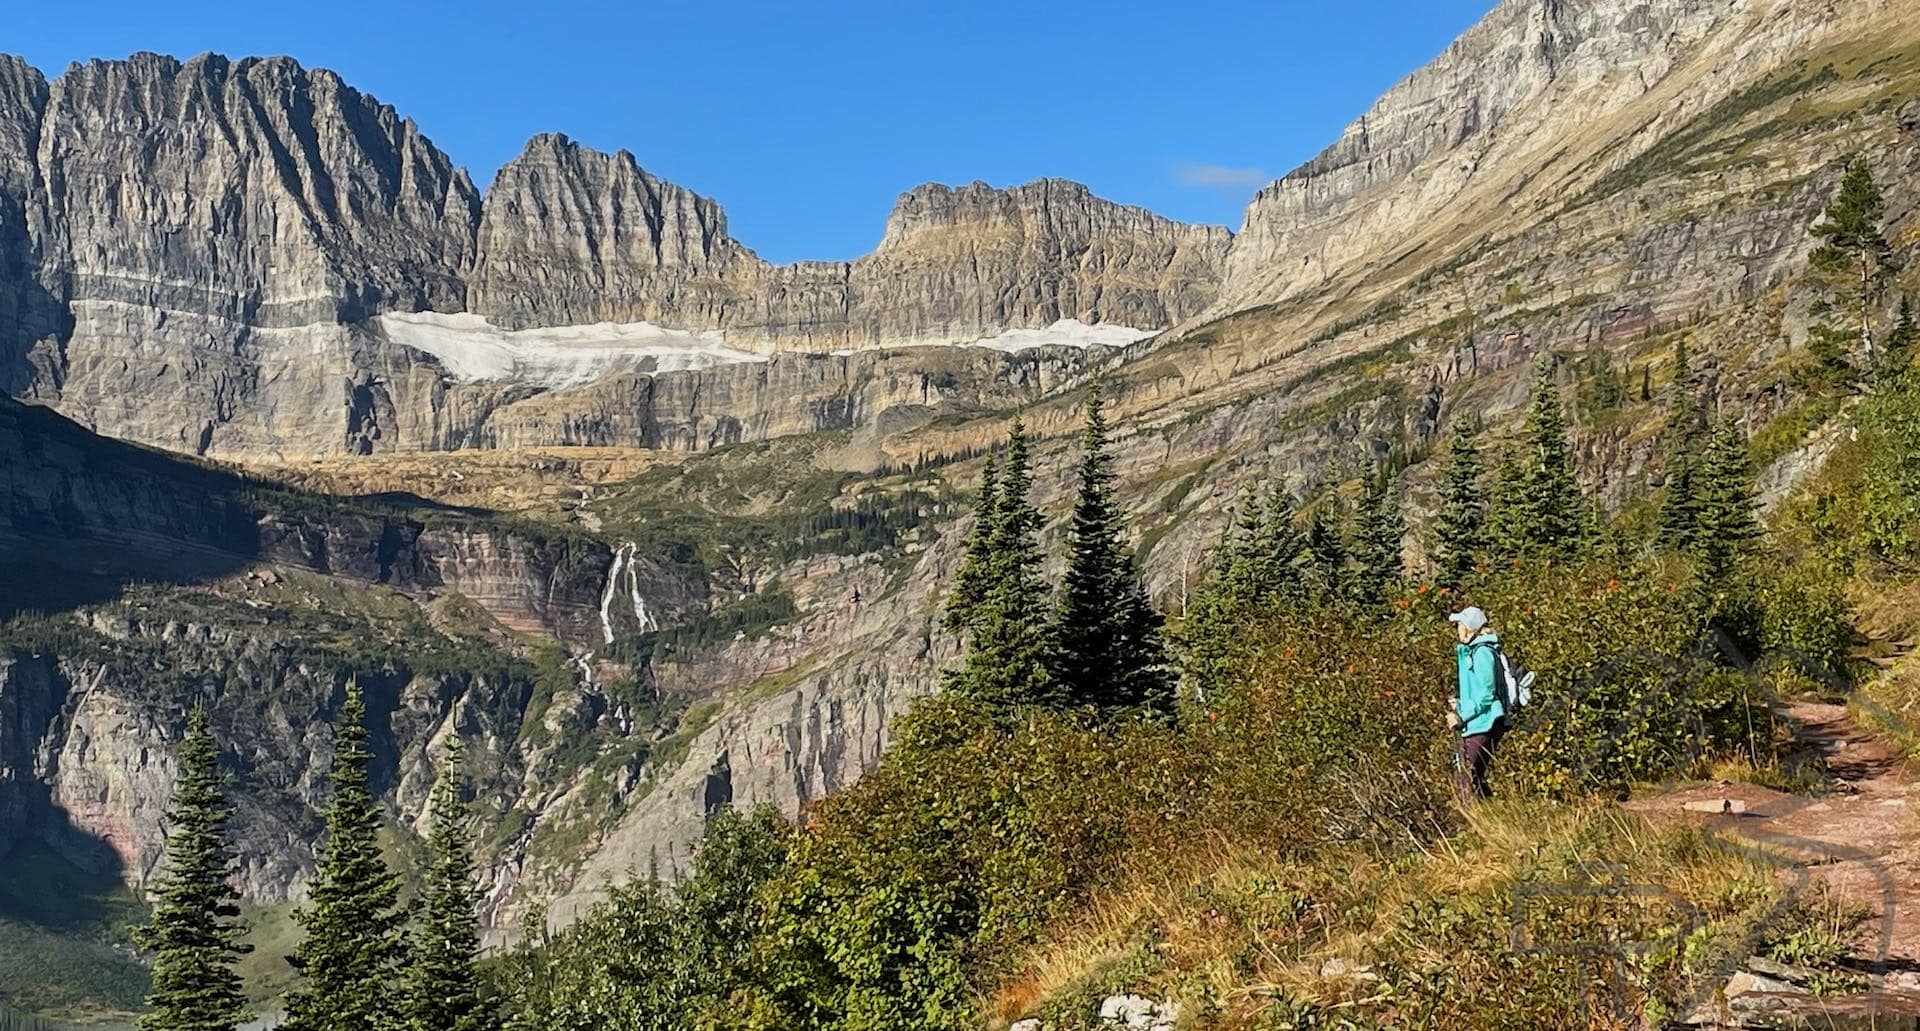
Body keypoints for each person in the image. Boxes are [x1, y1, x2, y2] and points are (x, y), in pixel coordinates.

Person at [1448, 605, 1506, 801]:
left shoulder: (1481, 653)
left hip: (1483, 722)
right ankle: (1490, 817)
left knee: (1464, 775)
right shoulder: (1475, 651)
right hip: (1480, 721)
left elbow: (1486, 695)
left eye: (1459, 624)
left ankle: (1473, 821)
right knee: (1474, 776)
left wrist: (1461, 716)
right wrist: (1460, 705)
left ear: (1469, 627)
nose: (1457, 629)